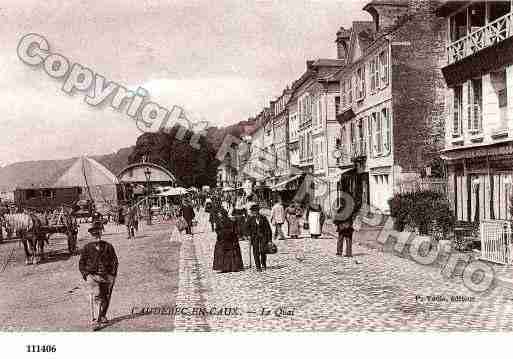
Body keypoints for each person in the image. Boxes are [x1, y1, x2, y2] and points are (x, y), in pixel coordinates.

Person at [80, 222, 118, 329]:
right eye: (94, 234)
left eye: (98, 234)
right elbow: (81, 263)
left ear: (101, 234)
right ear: (91, 235)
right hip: (92, 276)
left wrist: (113, 275)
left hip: (106, 276)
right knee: (97, 296)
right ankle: (95, 321)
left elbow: (115, 261)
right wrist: (86, 274)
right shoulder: (87, 248)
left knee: (106, 297)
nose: (96, 236)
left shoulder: (108, 246)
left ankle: (102, 315)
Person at [245, 203, 272, 272]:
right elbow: (246, 228)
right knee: (256, 251)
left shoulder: (263, 218)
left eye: (255, 211)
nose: (253, 212)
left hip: (263, 237)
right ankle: (258, 266)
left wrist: (269, 240)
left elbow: (268, 229)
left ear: (258, 211)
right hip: (254, 238)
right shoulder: (250, 219)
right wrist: (248, 235)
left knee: (263, 251)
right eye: (252, 211)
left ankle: (263, 263)